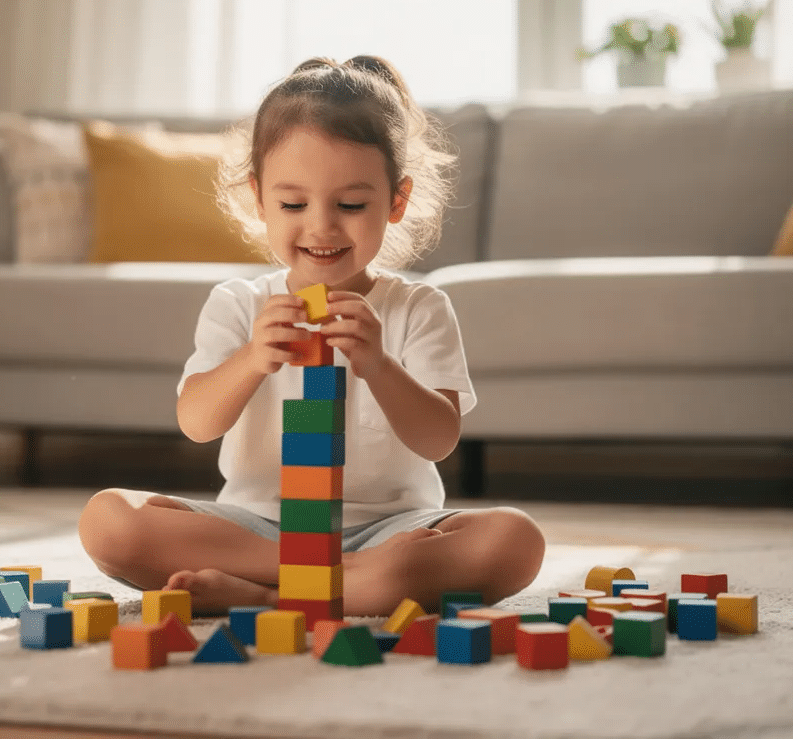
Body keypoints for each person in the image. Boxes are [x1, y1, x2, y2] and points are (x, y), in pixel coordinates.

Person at [78, 55, 545, 617]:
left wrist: (378, 365)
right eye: (294, 204)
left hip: (391, 531)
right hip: (256, 530)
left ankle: (266, 596)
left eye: (351, 204)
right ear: (259, 199)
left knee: (514, 539)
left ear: (395, 201)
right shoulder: (238, 303)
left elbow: (438, 440)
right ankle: (334, 581)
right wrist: (252, 359)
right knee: (108, 521)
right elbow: (197, 423)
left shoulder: (418, 307)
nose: (322, 226)